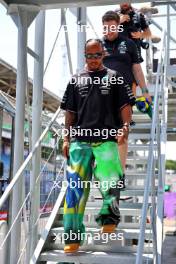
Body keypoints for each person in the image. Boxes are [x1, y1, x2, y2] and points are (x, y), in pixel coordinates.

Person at [60, 38, 136, 253]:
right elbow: (69, 113)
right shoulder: (75, 80)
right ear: (85, 56)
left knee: (111, 181)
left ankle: (109, 220)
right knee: (74, 191)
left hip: (107, 139)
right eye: (89, 55)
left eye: (97, 55)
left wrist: (125, 127)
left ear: (103, 54)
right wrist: (66, 137)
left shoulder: (115, 78)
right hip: (80, 141)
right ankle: (72, 237)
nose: (94, 59)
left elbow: (125, 106)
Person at [102, 10, 152, 170]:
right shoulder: (96, 45)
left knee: (122, 135)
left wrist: (144, 91)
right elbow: (87, 68)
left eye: (112, 27)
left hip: (124, 96)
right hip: (101, 95)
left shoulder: (129, 44)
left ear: (118, 27)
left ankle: (119, 176)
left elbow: (137, 69)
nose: (109, 31)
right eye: (106, 28)